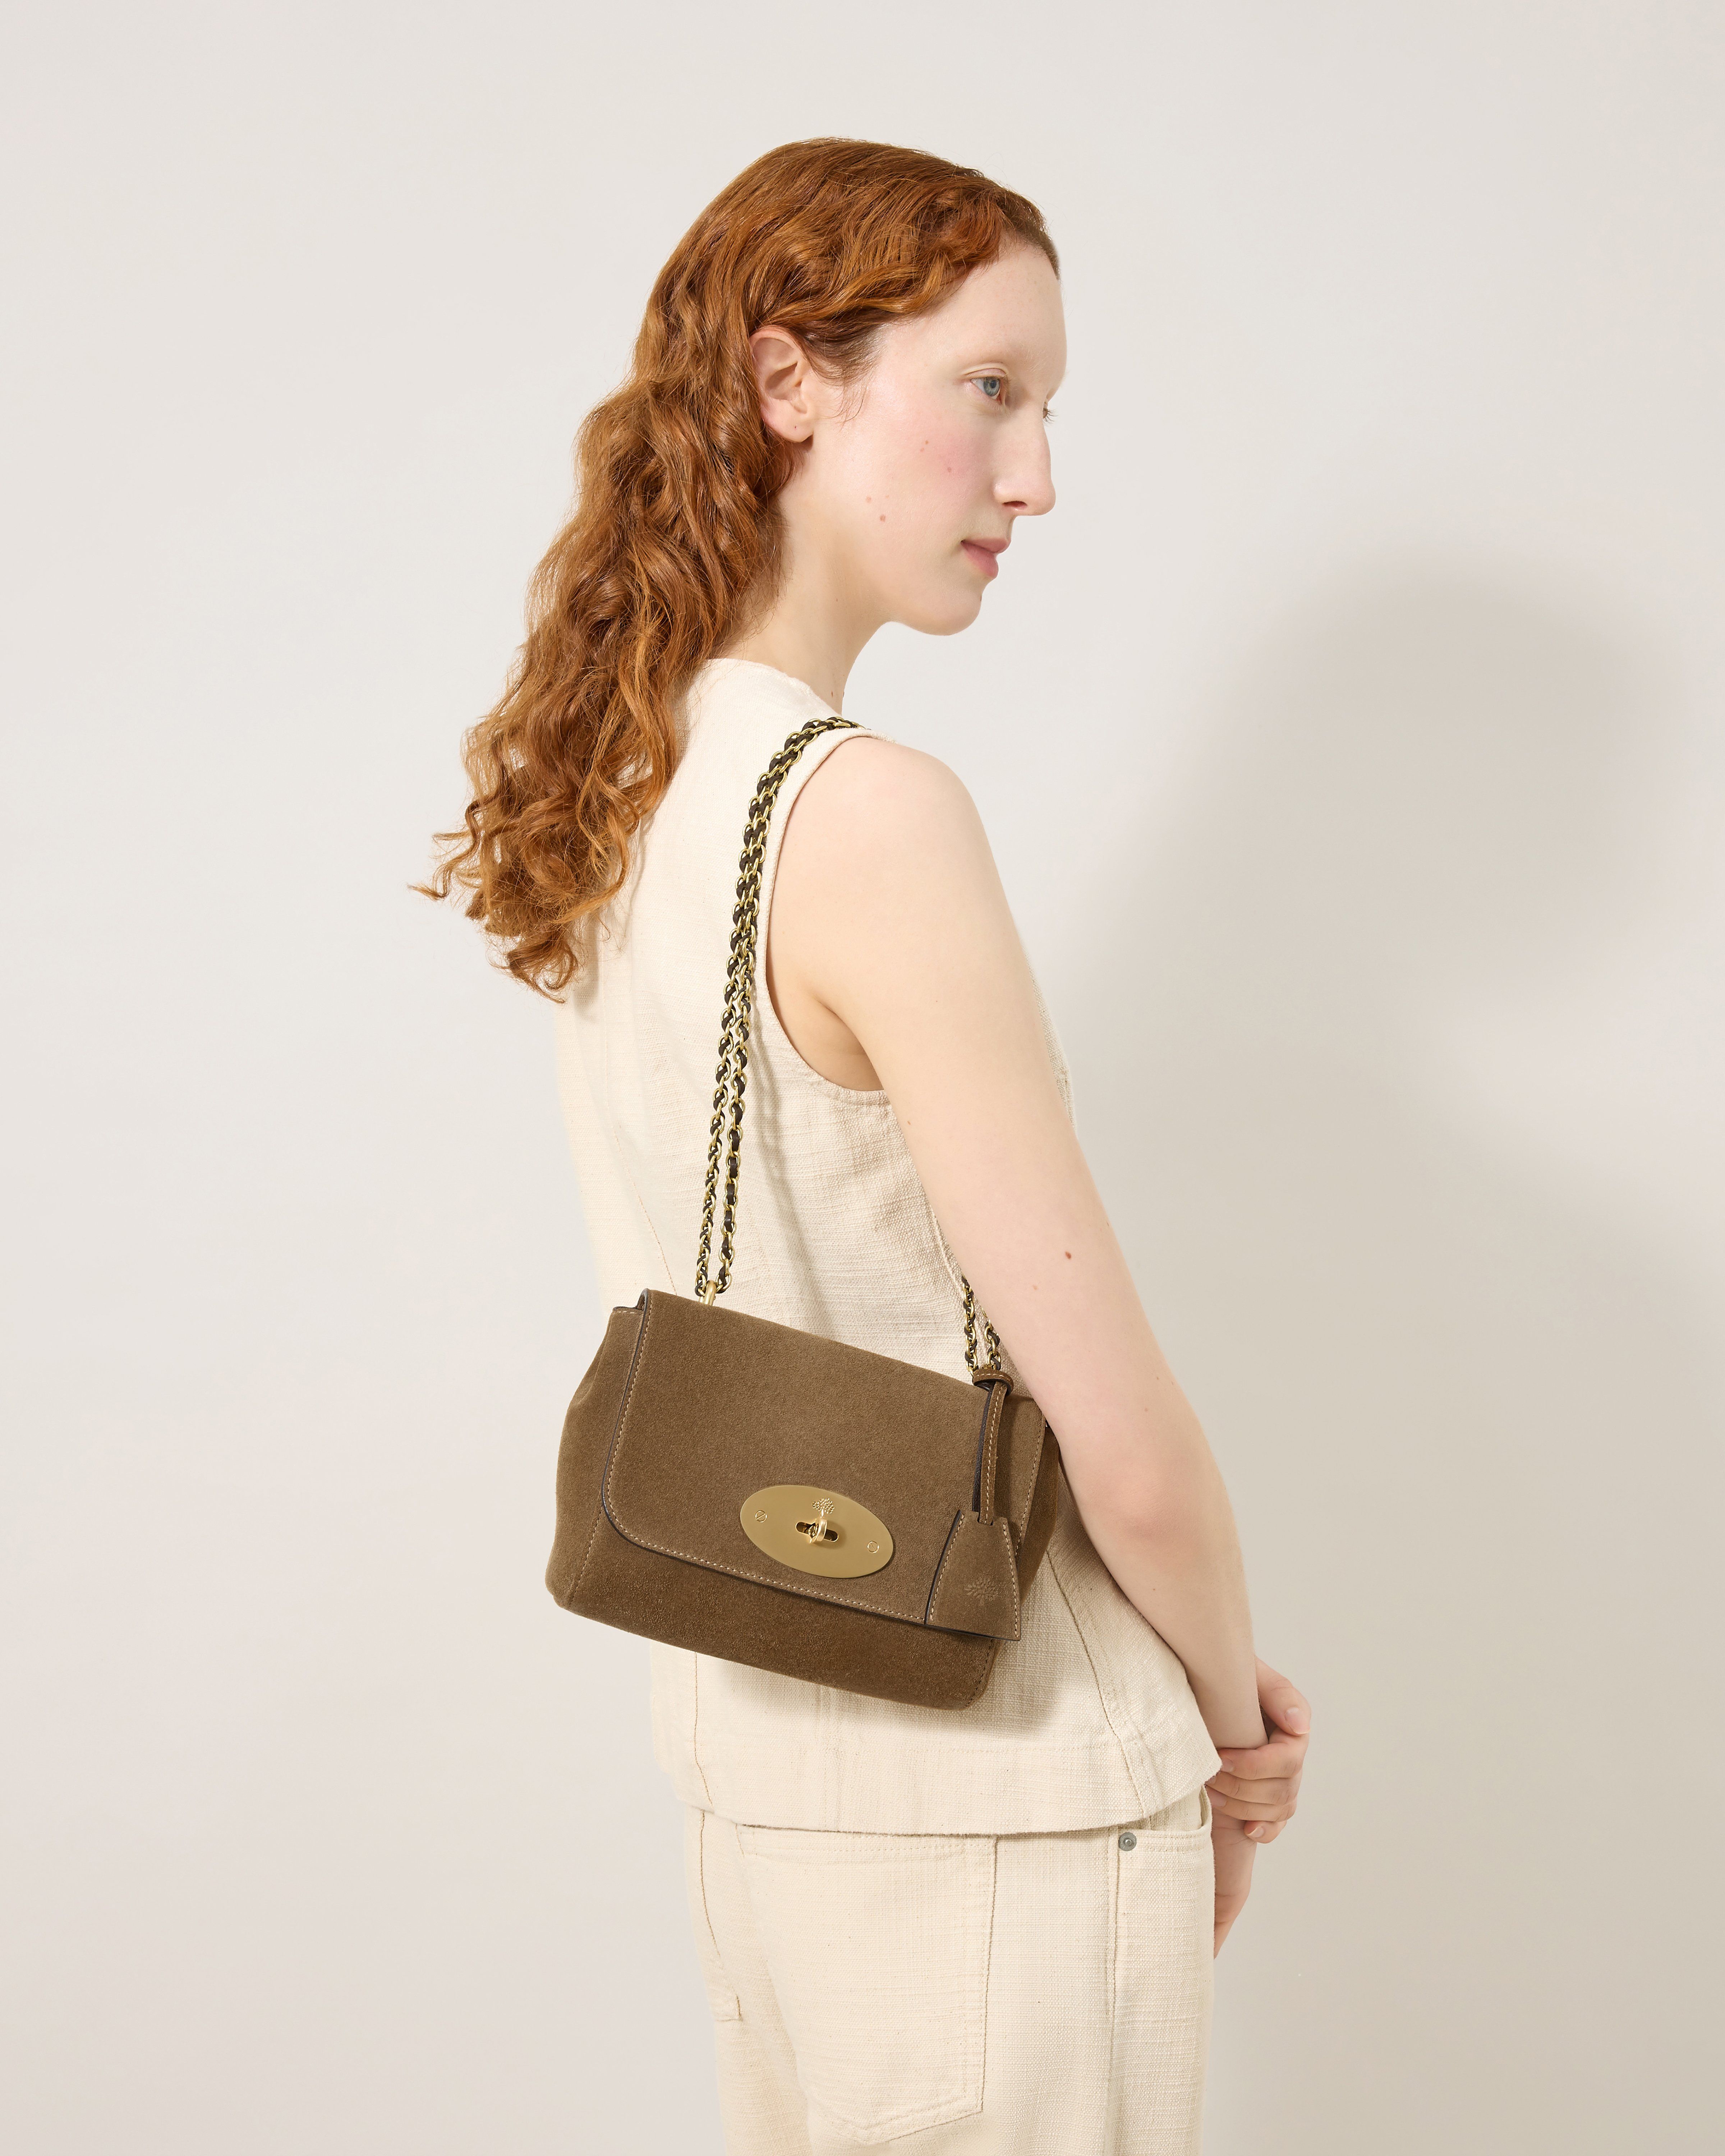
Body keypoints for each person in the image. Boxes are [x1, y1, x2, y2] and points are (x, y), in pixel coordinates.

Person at [420, 137, 1311, 2155]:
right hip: (1009, 1786)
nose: (1036, 477)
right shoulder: (868, 813)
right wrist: (1235, 1731)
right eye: (990, 389)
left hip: (762, 1782)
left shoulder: (626, 787)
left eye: (1047, 407)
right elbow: (1125, 1449)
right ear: (787, 380)